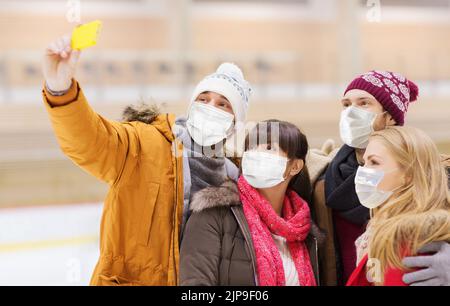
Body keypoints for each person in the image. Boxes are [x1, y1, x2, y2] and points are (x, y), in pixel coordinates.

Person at [42, 34, 251, 285]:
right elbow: (90, 140)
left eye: (223, 104)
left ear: (234, 124)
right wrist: (61, 91)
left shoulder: (235, 181)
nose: (210, 107)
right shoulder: (143, 143)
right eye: (203, 99)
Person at [307, 70, 450, 285]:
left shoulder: (434, 173)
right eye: (346, 105)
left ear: (390, 116)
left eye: (363, 103)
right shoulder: (327, 176)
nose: (351, 112)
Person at [179, 120, 323, 286]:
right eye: (251, 147)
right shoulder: (213, 214)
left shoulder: (305, 233)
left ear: (295, 166)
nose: (255, 154)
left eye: (269, 147)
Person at [346, 126, 450, 286]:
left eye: (374, 162)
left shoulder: (409, 238)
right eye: (363, 162)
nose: (363, 172)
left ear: (408, 175)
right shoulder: (377, 229)